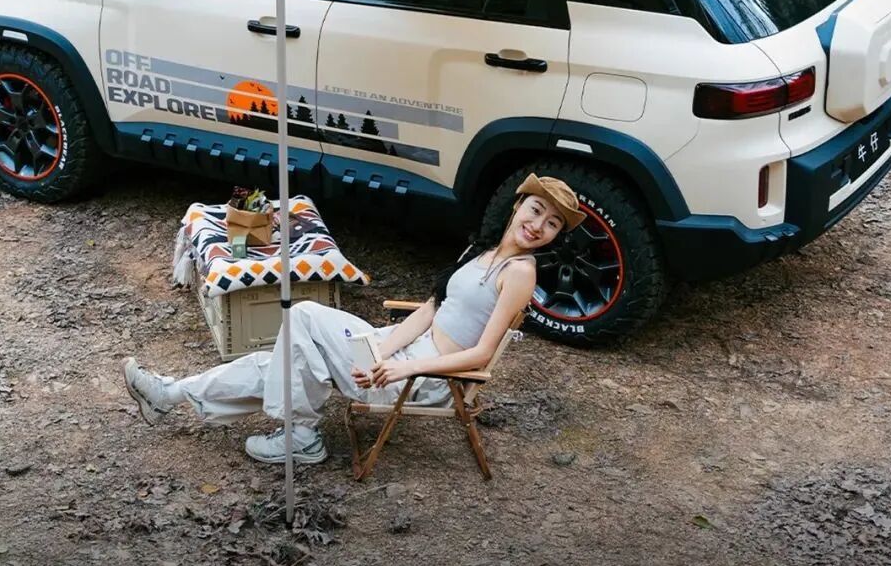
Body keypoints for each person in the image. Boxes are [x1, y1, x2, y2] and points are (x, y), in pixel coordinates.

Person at [122, 173, 585, 465]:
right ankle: (173, 394)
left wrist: (403, 367)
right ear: (518, 206)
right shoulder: (480, 251)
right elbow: (430, 310)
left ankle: (300, 435)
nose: (538, 225)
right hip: (397, 351)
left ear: (555, 236)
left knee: (303, 316)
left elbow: (481, 354)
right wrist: (384, 348)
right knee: (286, 359)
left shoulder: (519, 273)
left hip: (422, 378)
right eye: (536, 210)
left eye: (552, 224)